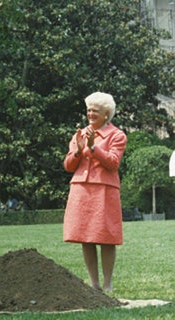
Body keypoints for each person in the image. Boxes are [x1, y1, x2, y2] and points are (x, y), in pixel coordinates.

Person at [63, 92, 127, 293]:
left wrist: (92, 148)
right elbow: (68, 165)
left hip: (104, 191)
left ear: (106, 114)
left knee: (106, 237)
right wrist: (77, 151)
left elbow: (113, 163)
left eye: (95, 111)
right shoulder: (79, 134)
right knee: (86, 236)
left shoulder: (117, 135)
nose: (90, 114)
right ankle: (94, 284)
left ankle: (107, 285)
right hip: (81, 190)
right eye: (88, 110)